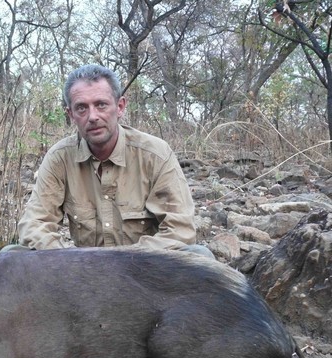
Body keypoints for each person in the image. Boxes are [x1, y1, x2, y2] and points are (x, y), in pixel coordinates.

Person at [14, 64, 210, 256]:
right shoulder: (59, 158)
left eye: (101, 105)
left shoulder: (156, 154)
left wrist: (120, 264)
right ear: (71, 114)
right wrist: (72, 263)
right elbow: (34, 225)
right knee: (13, 255)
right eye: (81, 108)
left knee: (199, 255)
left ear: (120, 107)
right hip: (83, 272)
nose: (93, 116)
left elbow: (180, 231)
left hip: (143, 272)